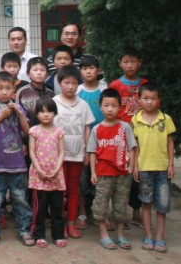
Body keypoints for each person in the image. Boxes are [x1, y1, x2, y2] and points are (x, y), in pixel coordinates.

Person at [0, 72, 34, 247]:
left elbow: (27, 130)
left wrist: (19, 113)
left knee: (21, 199)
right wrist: (1, 116)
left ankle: (24, 231)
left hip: (17, 164)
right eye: (0, 88)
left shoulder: (18, 108)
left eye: (8, 88)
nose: (4, 92)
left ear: (14, 90)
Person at [87, 88, 137, 251]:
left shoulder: (125, 127)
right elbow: (92, 152)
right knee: (101, 204)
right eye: (106, 105)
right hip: (103, 174)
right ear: (100, 107)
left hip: (123, 174)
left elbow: (132, 147)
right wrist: (93, 172)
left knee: (121, 205)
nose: (110, 109)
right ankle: (104, 234)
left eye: (114, 106)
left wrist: (131, 167)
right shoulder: (96, 129)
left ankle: (120, 234)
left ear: (120, 107)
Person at [132, 83, 176, 254]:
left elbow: (170, 142)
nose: (149, 102)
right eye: (145, 98)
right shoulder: (135, 120)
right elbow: (134, 146)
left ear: (159, 100)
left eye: (153, 98)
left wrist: (171, 164)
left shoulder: (166, 119)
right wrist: (134, 166)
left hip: (163, 168)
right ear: (139, 100)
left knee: (162, 205)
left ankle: (160, 238)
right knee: (146, 203)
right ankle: (148, 236)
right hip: (144, 168)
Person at [52, 65, 95, 239]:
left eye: (74, 83)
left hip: (77, 155)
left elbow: (87, 128)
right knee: (59, 190)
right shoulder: (54, 102)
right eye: (66, 83)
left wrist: (87, 151)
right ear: (59, 82)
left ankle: (71, 223)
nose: (70, 87)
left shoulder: (83, 105)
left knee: (74, 189)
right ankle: (60, 224)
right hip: (59, 156)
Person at [109, 45, 148, 227]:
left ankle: (137, 212)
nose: (130, 65)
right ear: (120, 63)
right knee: (121, 175)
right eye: (126, 61)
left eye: (133, 61)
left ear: (139, 62)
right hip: (122, 136)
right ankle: (120, 213)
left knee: (139, 175)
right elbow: (110, 110)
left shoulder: (145, 85)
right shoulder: (116, 86)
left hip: (143, 137)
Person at [28, 98, 67, 248]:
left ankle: (58, 235)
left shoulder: (59, 132)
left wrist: (57, 169)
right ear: (36, 114)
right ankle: (39, 235)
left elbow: (62, 152)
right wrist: (39, 170)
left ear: (55, 113)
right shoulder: (34, 131)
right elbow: (32, 152)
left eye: (49, 111)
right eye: (42, 111)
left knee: (57, 209)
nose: (46, 114)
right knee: (40, 209)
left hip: (56, 176)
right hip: (39, 176)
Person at [76, 54, 106, 229]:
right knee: (82, 179)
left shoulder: (104, 90)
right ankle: (82, 213)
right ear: (80, 71)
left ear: (98, 70)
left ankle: (99, 213)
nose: (88, 72)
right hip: (81, 142)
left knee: (101, 179)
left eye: (91, 68)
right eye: (84, 68)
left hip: (102, 143)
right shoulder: (77, 90)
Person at [15, 57, 54, 127]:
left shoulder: (51, 93)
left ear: (47, 74)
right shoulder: (22, 92)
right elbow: (18, 114)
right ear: (28, 73)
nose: (39, 73)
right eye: (35, 70)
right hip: (27, 131)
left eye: (42, 70)